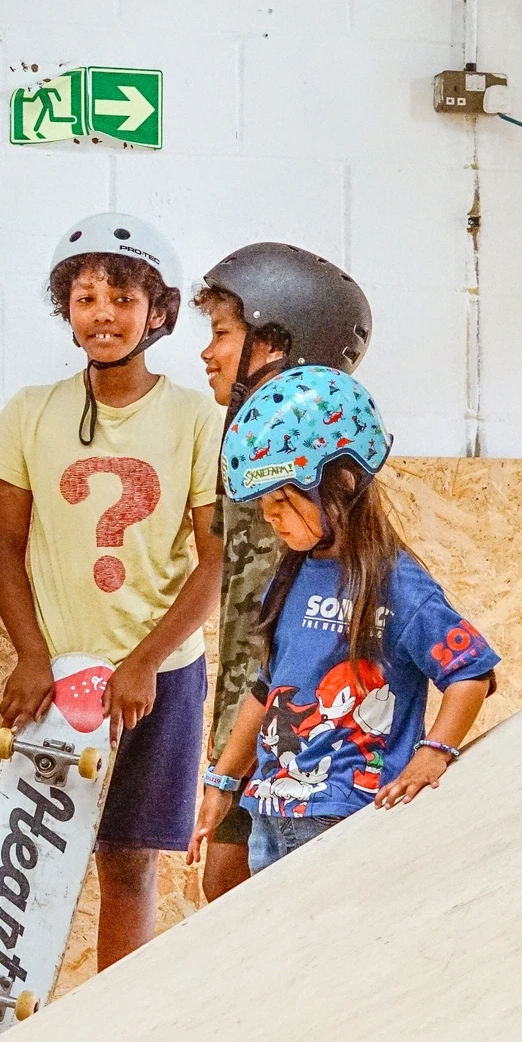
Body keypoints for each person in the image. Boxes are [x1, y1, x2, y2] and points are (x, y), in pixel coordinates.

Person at [0, 214, 224, 969]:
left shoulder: (195, 417)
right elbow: (4, 550)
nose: (103, 316)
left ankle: (120, 1022)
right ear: (67, 309)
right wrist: (30, 655)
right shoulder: (31, 411)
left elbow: (215, 560)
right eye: (86, 298)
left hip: (162, 674)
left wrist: (145, 662)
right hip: (60, 675)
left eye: (122, 299)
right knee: (35, 856)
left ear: (159, 312)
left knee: (128, 860)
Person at [187, 367, 498, 875]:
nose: (271, 516)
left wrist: (435, 752)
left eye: (284, 500)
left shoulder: (396, 583)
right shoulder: (287, 580)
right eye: (265, 505)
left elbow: (471, 673)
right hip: (273, 811)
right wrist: (223, 783)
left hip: (352, 816)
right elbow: (266, 693)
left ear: (344, 481)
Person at [193, 245, 372, 900]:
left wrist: (238, 767)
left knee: (237, 896)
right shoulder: (250, 443)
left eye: (220, 334)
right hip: (254, 717)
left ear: (274, 342)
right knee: (223, 890)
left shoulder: (315, 460)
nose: (206, 354)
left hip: (301, 742)